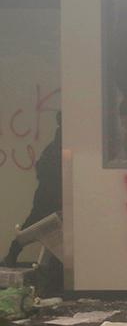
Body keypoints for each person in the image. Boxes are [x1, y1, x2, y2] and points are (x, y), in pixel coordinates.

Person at [3, 112, 62, 268]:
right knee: (38, 229)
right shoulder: (58, 146)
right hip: (51, 196)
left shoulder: (54, 146)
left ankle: (13, 255)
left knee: (34, 228)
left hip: (49, 196)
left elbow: (42, 170)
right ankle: (14, 255)